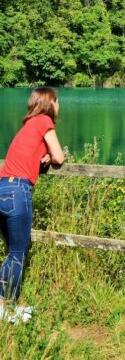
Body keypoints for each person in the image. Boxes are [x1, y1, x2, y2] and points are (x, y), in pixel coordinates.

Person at [0, 87, 64, 323]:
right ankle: (2, 304)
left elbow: (35, 157)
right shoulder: (44, 120)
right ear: (51, 103)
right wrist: (53, 155)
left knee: (12, 252)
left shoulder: (27, 127)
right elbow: (59, 157)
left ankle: (10, 306)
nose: (59, 106)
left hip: (2, 188)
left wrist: (43, 157)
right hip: (18, 191)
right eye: (58, 102)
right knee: (18, 253)